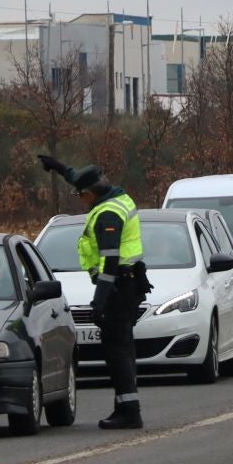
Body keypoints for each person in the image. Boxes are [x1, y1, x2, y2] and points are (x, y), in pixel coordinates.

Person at [39, 154, 150, 429]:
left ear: (89, 194)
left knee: (117, 351)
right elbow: (79, 175)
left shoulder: (108, 214)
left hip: (117, 286)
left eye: (80, 195)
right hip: (128, 282)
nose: (79, 199)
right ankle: (125, 407)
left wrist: (98, 302)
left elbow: (110, 262)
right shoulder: (115, 197)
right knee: (123, 347)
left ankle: (130, 412)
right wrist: (58, 166)